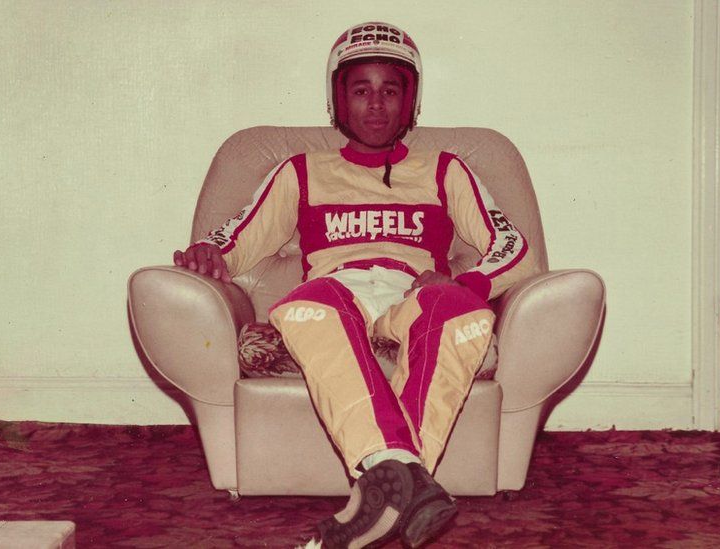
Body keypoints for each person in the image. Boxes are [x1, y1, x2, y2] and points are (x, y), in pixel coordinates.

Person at [174, 22, 535, 549]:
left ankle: (385, 490)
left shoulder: (444, 169)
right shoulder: (300, 170)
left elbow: (514, 246)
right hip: (336, 292)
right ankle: (402, 487)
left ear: (411, 102)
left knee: (462, 313)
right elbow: (238, 239)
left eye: (391, 90)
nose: (376, 105)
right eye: (360, 90)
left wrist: (471, 280)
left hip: (412, 295)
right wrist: (211, 252)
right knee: (304, 307)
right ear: (337, 100)